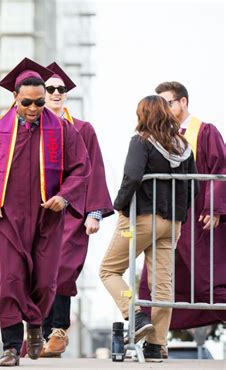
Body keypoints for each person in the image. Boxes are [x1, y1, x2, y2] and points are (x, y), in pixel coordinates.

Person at [0, 57, 91, 366]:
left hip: (47, 217)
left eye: (39, 102)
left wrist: (64, 197)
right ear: (14, 98)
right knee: (9, 280)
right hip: (7, 218)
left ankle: (35, 325)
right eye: (27, 103)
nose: (34, 109)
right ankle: (11, 346)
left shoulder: (62, 131)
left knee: (45, 281)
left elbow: (81, 169)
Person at [99, 95, 197, 362]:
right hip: (173, 223)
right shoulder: (184, 146)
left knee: (109, 269)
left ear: (143, 115)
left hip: (141, 217)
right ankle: (156, 346)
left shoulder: (141, 141)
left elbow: (132, 176)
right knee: (162, 284)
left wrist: (119, 205)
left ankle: (135, 315)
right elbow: (194, 187)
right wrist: (179, 214)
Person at [138, 81, 226, 350]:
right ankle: (153, 341)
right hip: (169, 219)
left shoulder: (205, 132)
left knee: (209, 284)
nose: (164, 108)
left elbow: (219, 169)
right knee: (153, 284)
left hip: (200, 223)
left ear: (183, 102)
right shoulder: (158, 135)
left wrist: (213, 208)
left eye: (169, 102)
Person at [39, 62, 113, 357]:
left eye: (61, 89)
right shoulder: (31, 129)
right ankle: (39, 333)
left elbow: (95, 169)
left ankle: (55, 331)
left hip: (73, 212)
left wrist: (95, 212)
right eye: (51, 89)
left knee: (63, 269)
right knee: (39, 271)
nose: (57, 93)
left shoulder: (82, 129)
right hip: (39, 212)